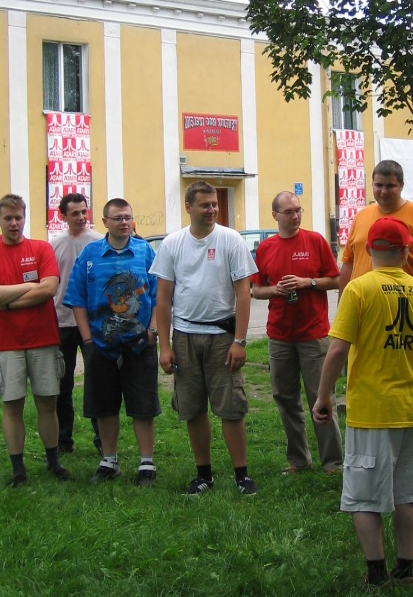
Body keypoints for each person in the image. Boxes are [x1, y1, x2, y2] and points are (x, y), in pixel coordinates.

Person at [313, 217, 413, 589]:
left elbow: (337, 349)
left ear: (369, 250)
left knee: (363, 495)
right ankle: (405, 568)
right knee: (407, 494)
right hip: (410, 410)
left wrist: (323, 396)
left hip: (370, 412)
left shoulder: (359, 289)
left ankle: (376, 574)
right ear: (405, 252)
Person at [152, 181, 258, 495]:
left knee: (231, 407)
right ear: (189, 207)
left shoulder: (231, 240)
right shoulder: (173, 244)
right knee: (193, 408)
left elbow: (243, 293)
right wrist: (164, 346)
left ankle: (242, 476)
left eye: (214, 204)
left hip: (223, 336)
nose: (212, 209)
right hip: (185, 336)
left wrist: (239, 341)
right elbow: (163, 299)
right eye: (205, 205)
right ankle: (204, 475)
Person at [64, 198, 160, 485]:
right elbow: (77, 299)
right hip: (100, 345)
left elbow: (159, 295)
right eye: (117, 218)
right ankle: (109, 460)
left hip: (140, 343)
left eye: (128, 217)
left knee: (143, 405)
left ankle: (146, 463)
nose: (124, 223)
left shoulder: (145, 252)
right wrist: (87, 340)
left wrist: (153, 330)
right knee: (104, 405)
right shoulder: (90, 254)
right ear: (105, 222)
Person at [0, 194, 70, 486]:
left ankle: (53, 462)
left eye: (18, 217)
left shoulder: (41, 249)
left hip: (43, 339)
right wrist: (29, 286)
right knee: (12, 406)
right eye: (8, 218)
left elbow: (49, 289)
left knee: (47, 403)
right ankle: (18, 469)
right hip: (8, 344)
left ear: (24, 218)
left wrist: (7, 302)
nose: (14, 223)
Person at [251, 190, 342, 473]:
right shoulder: (265, 248)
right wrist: (276, 290)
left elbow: (336, 279)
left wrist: (308, 282)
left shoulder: (315, 241)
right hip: (280, 336)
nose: (295, 216)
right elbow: (256, 290)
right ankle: (298, 460)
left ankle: (333, 461)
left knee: (322, 396)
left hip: (314, 334)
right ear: (275, 215)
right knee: (286, 398)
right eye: (289, 212)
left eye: (298, 210)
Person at [338, 160, 413, 301]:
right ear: (372, 185)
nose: (384, 191)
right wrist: (342, 303)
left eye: (390, 186)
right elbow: (348, 264)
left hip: (403, 305)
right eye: (379, 185)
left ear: (401, 186)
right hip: (362, 304)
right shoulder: (361, 217)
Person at [50, 193, 103, 454]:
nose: (82, 217)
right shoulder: (54, 245)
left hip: (93, 323)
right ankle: (63, 441)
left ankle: (102, 439)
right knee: (63, 384)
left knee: (97, 381)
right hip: (62, 322)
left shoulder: (99, 242)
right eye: (75, 213)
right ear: (63, 216)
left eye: (84, 212)